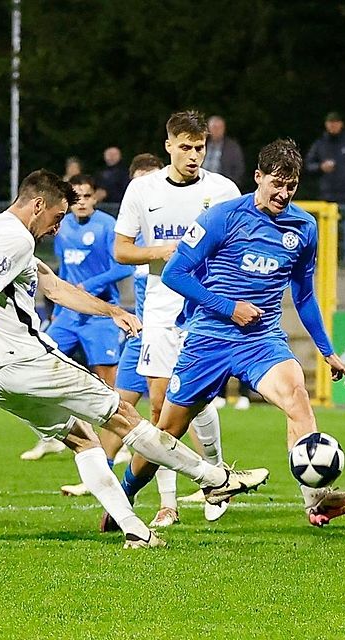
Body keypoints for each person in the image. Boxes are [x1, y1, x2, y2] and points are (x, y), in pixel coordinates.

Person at [0, 169, 269, 549]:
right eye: (56, 217)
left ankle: (135, 529)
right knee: (125, 418)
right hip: (24, 360)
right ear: (37, 206)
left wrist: (111, 311)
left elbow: (56, 288)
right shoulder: (15, 238)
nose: (57, 228)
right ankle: (214, 479)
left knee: (82, 439)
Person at [124, 138, 345, 528]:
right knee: (166, 432)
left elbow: (304, 296)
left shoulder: (303, 228)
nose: (284, 194)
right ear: (258, 177)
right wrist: (229, 307)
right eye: (277, 184)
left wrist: (327, 351)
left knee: (297, 397)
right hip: (209, 339)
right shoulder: (223, 217)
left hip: (262, 340)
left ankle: (318, 501)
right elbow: (174, 274)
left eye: (291, 187)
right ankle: (123, 495)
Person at [113, 110, 241, 528]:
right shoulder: (142, 189)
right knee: (160, 407)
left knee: (193, 397)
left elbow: (237, 245)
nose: (192, 155)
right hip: (162, 304)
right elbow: (122, 250)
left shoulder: (223, 191)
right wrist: (162, 251)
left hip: (206, 303)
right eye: (184, 147)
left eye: (199, 148)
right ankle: (168, 502)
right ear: (168, 145)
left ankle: (215, 475)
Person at [59, 152, 163, 497]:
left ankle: (194, 485)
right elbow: (125, 262)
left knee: (175, 408)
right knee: (117, 403)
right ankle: (101, 477)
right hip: (138, 331)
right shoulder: (128, 231)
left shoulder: (175, 229)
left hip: (170, 331)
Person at [18, 173, 133, 461]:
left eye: (86, 196)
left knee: (108, 379)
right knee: (36, 365)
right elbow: (64, 274)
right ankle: (49, 435)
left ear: (95, 198)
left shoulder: (108, 226)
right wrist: (57, 311)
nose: (81, 201)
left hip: (100, 312)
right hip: (67, 315)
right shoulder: (63, 226)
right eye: (76, 196)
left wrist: (91, 286)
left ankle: (121, 442)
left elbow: (124, 268)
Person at [304, 112, 345, 267]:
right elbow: (308, 165)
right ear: (326, 124)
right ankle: (321, 259)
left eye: (336, 122)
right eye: (330, 122)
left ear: (341, 124)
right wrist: (320, 167)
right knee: (322, 227)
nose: (333, 125)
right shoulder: (319, 144)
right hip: (326, 194)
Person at [203, 115, 246, 190]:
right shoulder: (202, 144)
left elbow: (239, 169)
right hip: (201, 183)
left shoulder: (232, 147)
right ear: (208, 129)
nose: (216, 130)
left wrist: (229, 186)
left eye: (219, 128)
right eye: (214, 127)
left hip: (222, 186)